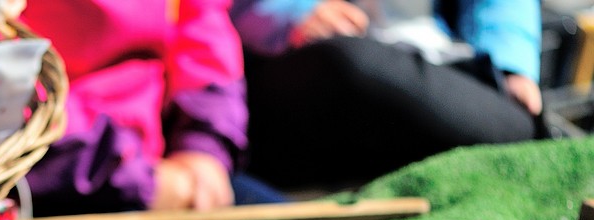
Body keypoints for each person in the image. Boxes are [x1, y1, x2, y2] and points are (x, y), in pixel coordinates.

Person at [230, 0, 544, 188]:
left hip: (433, 55)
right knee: (352, 63)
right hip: (294, 67)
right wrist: (289, 10)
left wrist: (510, 63)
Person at [19, 0, 287, 217]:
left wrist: (203, 147)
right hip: (50, 173)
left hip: (168, 166)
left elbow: (202, 26)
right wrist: (139, 179)